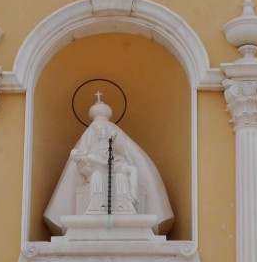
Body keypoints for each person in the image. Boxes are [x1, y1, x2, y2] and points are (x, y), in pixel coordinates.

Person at [44, 95, 173, 235]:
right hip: (96, 171)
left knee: (121, 177)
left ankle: (126, 203)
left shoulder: (115, 138)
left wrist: (114, 150)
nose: (99, 132)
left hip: (116, 169)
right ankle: (97, 205)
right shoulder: (89, 141)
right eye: (97, 130)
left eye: (102, 130)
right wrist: (81, 159)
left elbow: (123, 155)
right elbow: (85, 160)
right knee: (97, 176)